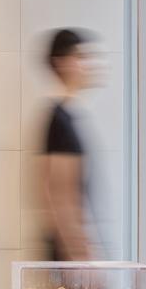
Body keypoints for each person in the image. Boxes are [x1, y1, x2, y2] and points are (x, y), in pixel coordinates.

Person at [43, 28, 101, 261]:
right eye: (81, 57)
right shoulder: (60, 120)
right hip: (69, 258)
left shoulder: (70, 117)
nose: (89, 64)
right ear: (62, 63)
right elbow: (59, 195)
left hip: (72, 256)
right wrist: (80, 256)